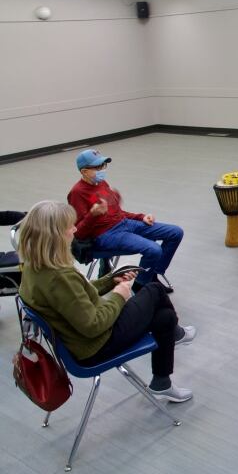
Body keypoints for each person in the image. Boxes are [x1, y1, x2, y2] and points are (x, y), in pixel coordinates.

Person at [18, 201, 196, 402]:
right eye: (70, 226)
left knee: (165, 317)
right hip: (95, 346)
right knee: (154, 290)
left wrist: (110, 280)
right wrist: (119, 294)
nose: (75, 229)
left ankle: (162, 381)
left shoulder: (33, 268)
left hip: (79, 340)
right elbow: (93, 325)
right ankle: (176, 336)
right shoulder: (59, 277)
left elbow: (76, 296)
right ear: (55, 236)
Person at [67, 149, 183, 293]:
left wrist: (141, 217)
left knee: (175, 232)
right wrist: (93, 214)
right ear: (84, 171)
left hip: (124, 223)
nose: (102, 170)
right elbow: (79, 234)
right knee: (153, 250)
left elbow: (118, 212)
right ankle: (140, 287)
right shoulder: (77, 193)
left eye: (103, 166)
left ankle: (152, 275)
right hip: (106, 235)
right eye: (97, 167)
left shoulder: (102, 183)